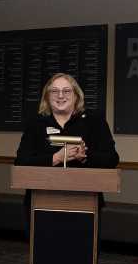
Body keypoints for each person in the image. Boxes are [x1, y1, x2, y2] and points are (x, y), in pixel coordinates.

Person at [14, 73, 119, 230]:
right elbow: (21, 161)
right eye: (54, 91)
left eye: (67, 91)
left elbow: (112, 159)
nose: (60, 96)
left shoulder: (94, 121)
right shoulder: (35, 123)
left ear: (76, 95)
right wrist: (56, 157)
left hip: (85, 202)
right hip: (41, 202)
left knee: (80, 251)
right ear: (47, 96)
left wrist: (85, 157)